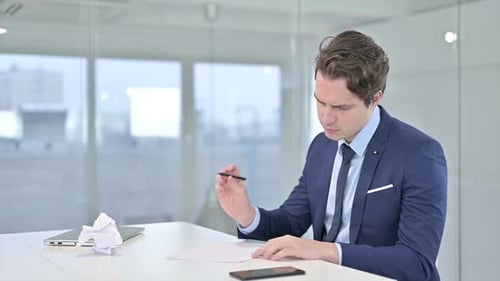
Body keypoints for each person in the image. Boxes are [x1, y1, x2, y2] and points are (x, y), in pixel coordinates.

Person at [215, 30, 447, 281]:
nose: (326, 117)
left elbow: (416, 263)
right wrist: (247, 215)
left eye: (341, 107)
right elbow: (292, 221)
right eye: (320, 102)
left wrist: (324, 251)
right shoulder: (322, 146)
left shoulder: (419, 154)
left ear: (375, 99)